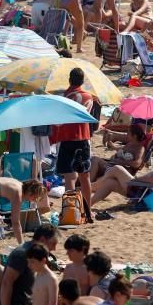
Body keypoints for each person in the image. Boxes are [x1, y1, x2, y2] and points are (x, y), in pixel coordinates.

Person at [53, 68, 95, 223]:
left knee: (70, 177)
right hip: (83, 139)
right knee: (85, 177)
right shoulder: (88, 97)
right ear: (82, 81)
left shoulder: (65, 97)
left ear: (70, 80)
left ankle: (71, 212)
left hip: (67, 138)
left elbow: (59, 121)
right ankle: (88, 212)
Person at [90, 138, 153, 205]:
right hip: (144, 191)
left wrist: (136, 179)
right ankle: (89, 204)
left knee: (117, 169)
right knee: (110, 183)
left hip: (145, 192)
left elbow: (151, 179)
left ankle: (91, 187)